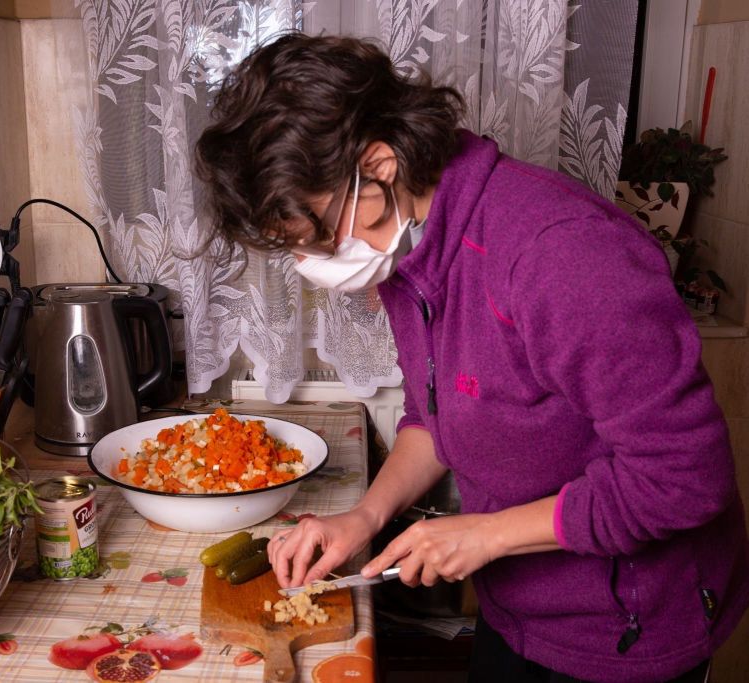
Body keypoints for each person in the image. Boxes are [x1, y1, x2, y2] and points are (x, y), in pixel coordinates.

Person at [194, 33, 749, 683]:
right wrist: (364, 516)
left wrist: (484, 534)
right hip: (519, 602)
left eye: (311, 235)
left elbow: (682, 478)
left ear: (376, 167)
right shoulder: (410, 245)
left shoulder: (562, 257)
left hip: (628, 627)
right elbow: (436, 415)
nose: (307, 263)